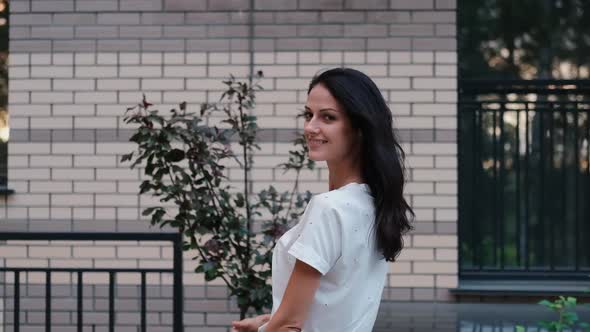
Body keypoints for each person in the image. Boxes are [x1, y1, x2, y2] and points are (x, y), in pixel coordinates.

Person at [231, 68, 414, 332]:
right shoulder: (373, 205)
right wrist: (266, 323)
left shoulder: (329, 208)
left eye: (327, 117)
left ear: (360, 129)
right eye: (308, 115)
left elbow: (290, 326)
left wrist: (272, 326)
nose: (310, 127)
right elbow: (336, 305)